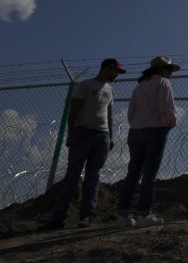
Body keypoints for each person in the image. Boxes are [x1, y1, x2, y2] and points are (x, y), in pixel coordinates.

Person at [44, 58, 126, 229]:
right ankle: (59, 218)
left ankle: (86, 217)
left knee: (93, 176)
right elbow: (73, 109)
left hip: (101, 136)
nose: (116, 75)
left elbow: (109, 115)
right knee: (73, 176)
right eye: (115, 71)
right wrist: (71, 133)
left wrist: (110, 136)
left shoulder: (110, 89)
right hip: (83, 133)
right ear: (106, 68)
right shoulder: (85, 85)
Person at [117, 55, 180, 227]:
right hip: (156, 129)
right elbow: (166, 108)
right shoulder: (163, 83)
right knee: (149, 173)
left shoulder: (140, 87)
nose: (170, 73)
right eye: (169, 69)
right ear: (162, 69)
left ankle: (123, 215)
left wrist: (137, 125)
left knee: (133, 173)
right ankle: (144, 214)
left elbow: (130, 113)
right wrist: (171, 124)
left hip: (135, 131)